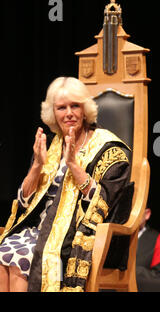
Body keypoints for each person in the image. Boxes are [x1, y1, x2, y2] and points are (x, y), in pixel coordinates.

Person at [0, 76, 132, 292]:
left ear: (85, 109)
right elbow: (24, 204)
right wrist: (37, 166)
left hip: (76, 235)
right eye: (61, 107)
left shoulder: (108, 150)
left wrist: (73, 164)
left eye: (75, 106)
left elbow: (102, 204)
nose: (69, 113)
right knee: (3, 252)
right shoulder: (51, 148)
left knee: (21, 258)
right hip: (39, 230)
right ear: (53, 113)